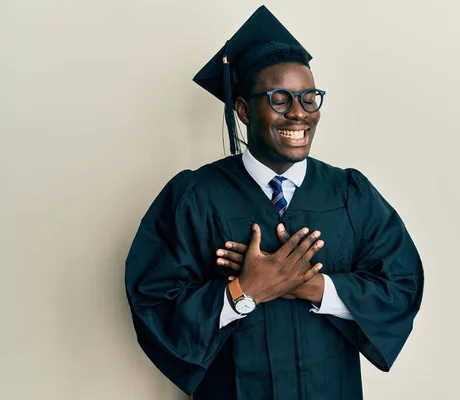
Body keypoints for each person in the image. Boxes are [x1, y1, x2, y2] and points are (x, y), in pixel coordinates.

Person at [125, 5, 424, 400]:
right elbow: (154, 303)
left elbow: (401, 286)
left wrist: (312, 286)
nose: (299, 112)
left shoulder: (351, 194)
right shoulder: (195, 197)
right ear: (245, 110)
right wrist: (246, 289)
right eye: (280, 99)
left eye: (309, 98)